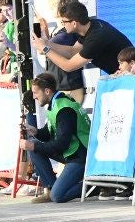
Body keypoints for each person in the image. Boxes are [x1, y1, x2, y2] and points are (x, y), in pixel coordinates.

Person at [21, 72, 89, 204]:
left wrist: (33, 146)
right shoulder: (55, 103)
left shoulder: (64, 109)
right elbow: (48, 134)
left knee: (58, 196)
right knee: (33, 144)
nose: (34, 97)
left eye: (36, 93)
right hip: (71, 153)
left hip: (80, 157)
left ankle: (94, 187)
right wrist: (34, 130)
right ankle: (52, 187)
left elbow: (62, 144)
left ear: (47, 91)